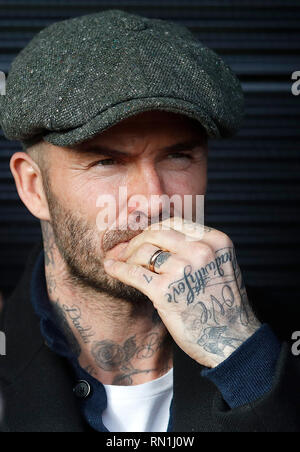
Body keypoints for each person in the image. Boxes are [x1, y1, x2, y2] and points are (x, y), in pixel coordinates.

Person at [0, 9, 299, 433]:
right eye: (107, 161)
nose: (155, 200)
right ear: (33, 187)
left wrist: (243, 359)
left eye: (178, 156)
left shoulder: (278, 351)